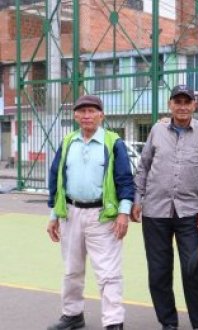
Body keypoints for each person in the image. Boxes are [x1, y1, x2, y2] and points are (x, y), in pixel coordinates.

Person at [132, 85, 198, 330]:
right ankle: (168, 322)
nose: (182, 106)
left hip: (190, 212)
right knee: (159, 271)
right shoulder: (157, 130)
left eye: (187, 102)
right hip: (154, 211)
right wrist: (137, 199)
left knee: (193, 267)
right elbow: (144, 166)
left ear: (194, 105)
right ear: (170, 104)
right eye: (177, 101)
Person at [46, 95, 134, 330]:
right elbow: (56, 180)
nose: (87, 116)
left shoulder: (113, 143)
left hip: (103, 217)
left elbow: (125, 180)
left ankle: (113, 321)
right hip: (71, 214)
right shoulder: (67, 142)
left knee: (108, 272)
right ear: (75, 115)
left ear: (101, 115)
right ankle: (72, 315)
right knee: (71, 269)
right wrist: (53, 215)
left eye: (92, 111)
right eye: (82, 111)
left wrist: (124, 213)